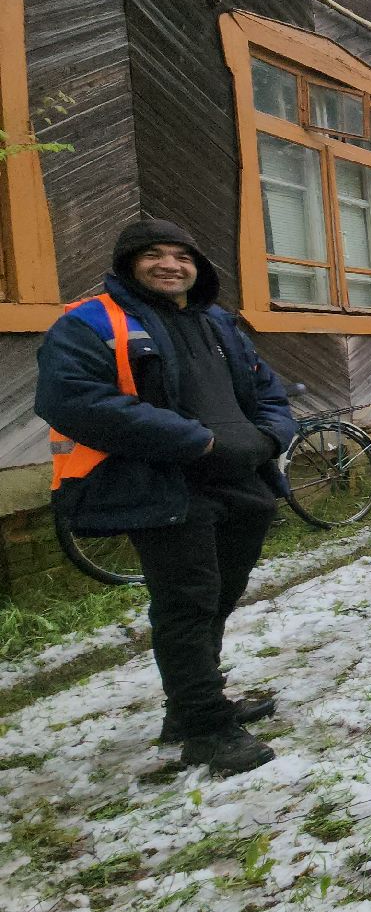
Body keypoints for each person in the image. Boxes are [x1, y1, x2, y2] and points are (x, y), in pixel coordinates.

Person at [37, 220, 297, 776]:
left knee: (220, 596)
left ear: (197, 267)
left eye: (183, 255)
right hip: (162, 487)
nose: (170, 265)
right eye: (154, 254)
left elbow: (268, 391)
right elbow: (74, 399)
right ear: (129, 263)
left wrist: (269, 438)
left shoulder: (218, 323)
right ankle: (205, 730)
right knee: (186, 605)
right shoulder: (90, 323)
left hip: (242, 483)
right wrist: (199, 442)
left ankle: (193, 704)